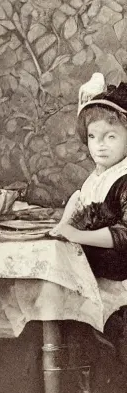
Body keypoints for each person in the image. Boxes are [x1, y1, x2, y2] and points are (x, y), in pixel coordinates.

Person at [52, 75, 127, 281]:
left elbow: (125, 235)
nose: (99, 145)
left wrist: (77, 235)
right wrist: (64, 225)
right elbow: (81, 205)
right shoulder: (97, 176)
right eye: (93, 137)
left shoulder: (123, 179)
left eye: (111, 137)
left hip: (118, 269)